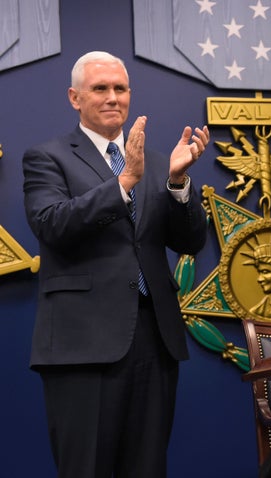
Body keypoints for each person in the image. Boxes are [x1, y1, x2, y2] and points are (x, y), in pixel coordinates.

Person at [22, 51, 209, 478]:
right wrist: (124, 183)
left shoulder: (162, 162)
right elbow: (52, 225)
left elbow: (190, 241)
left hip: (153, 338)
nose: (112, 98)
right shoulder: (47, 157)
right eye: (100, 88)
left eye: (120, 89)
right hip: (82, 344)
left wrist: (178, 184)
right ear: (74, 97)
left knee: (147, 468)